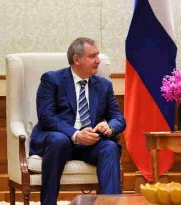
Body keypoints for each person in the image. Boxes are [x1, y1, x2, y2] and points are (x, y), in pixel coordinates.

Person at [29, 37, 126, 205]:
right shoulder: (52, 80)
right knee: (58, 140)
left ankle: (111, 203)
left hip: (91, 143)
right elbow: (46, 117)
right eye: (92, 56)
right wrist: (75, 134)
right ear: (76, 59)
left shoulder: (104, 85)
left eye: (98, 56)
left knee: (110, 146)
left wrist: (109, 127)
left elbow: (118, 118)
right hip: (61, 140)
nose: (98, 61)